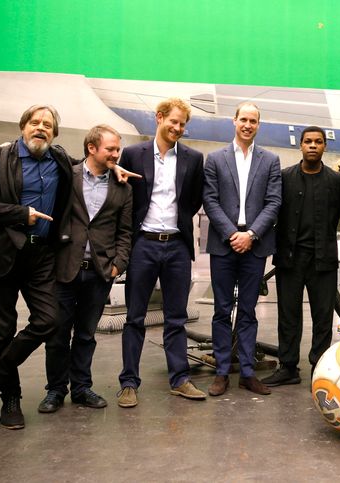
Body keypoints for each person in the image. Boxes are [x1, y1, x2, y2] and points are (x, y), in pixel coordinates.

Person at [0, 105, 74, 429]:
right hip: (4, 255)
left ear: (54, 133)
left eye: (48, 125)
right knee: (3, 331)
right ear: (24, 126)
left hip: (41, 256)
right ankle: (10, 399)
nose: (41, 128)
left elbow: (84, 170)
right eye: (35, 122)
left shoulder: (60, 160)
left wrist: (113, 168)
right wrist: (18, 214)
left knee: (48, 320)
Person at [117, 98, 206, 408]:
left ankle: (179, 379)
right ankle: (129, 383)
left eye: (182, 124)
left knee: (176, 318)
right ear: (159, 118)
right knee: (134, 317)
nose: (178, 128)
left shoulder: (194, 159)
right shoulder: (132, 154)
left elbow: (193, 200)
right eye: (174, 121)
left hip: (178, 246)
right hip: (143, 244)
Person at [38, 125, 133, 413]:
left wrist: (119, 264)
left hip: (99, 272)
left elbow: (126, 232)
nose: (117, 154)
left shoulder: (123, 187)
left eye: (118, 149)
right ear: (91, 148)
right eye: (111, 149)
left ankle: (81, 388)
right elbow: (52, 152)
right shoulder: (69, 176)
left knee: (85, 335)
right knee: (57, 335)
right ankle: (55, 390)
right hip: (64, 268)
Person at [202, 102, 282, 397]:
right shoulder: (215, 159)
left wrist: (251, 234)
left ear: (259, 125)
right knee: (222, 310)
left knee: (248, 311)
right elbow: (210, 200)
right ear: (234, 121)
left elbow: (274, 202)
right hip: (224, 246)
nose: (248, 124)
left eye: (253, 121)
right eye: (243, 119)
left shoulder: (270, 160)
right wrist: (232, 234)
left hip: (255, 246)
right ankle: (222, 372)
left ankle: (247, 373)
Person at [263, 126, 340, 386]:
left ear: (324, 147)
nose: (313, 145)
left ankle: (318, 369)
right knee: (288, 315)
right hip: (290, 258)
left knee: (323, 317)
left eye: (318, 142)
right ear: (300, 145)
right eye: (308, 141)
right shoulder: (284, 177)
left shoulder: (336, 181)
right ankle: (288, 367)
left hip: (323, 260)